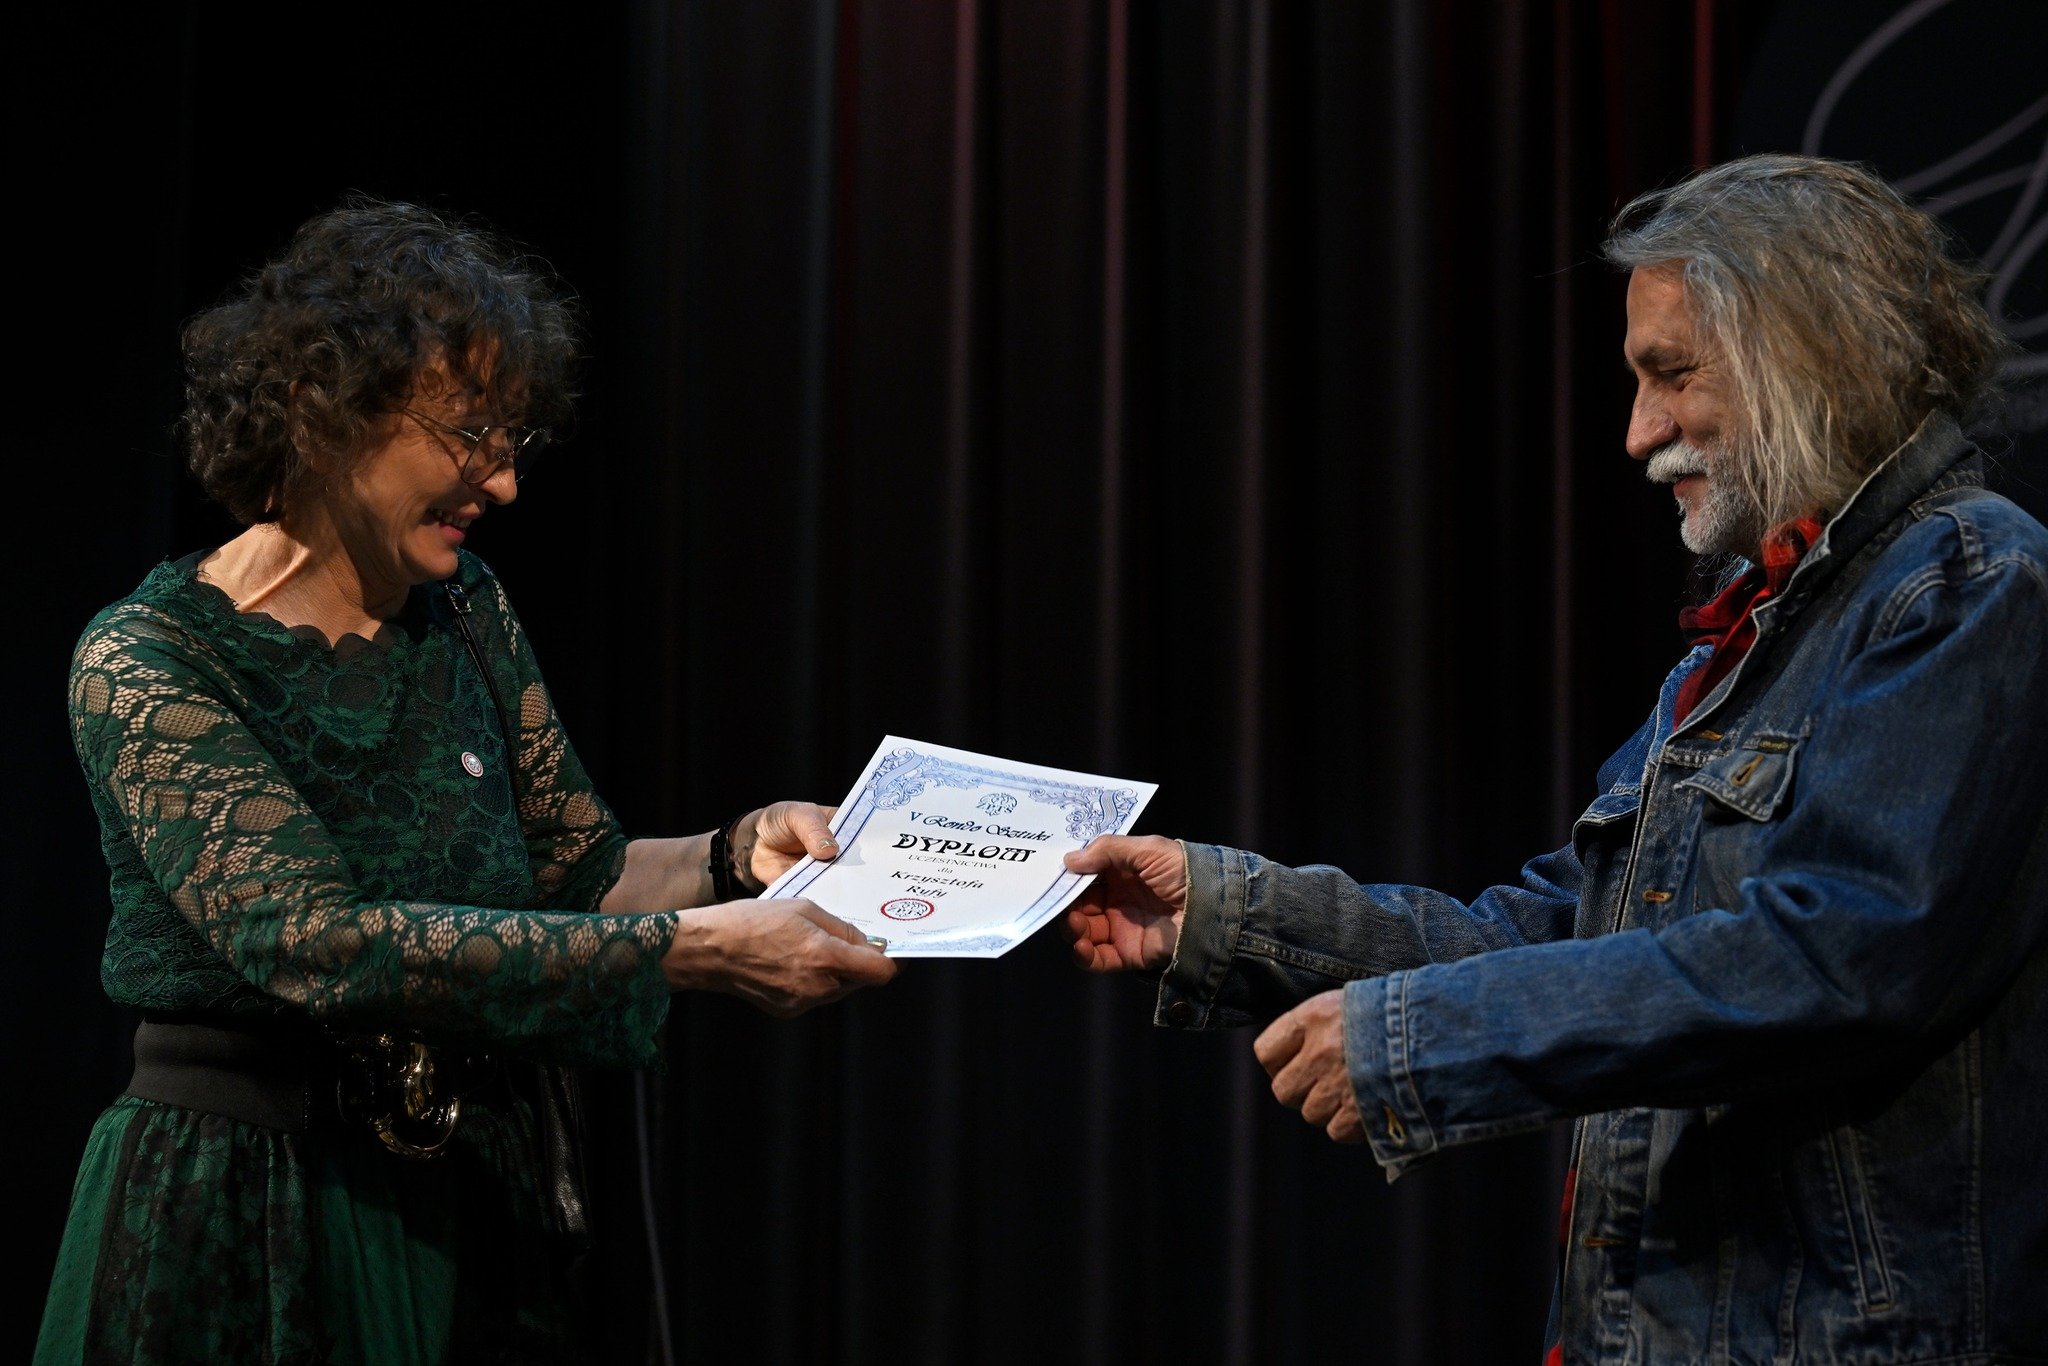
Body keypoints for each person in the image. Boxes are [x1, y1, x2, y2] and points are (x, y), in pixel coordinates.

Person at [1064, 154, 2047, 1362]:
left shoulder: (1968, 583)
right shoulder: (1750, 637)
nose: (1638, 432)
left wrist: (1417, 1039)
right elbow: (1562, 932)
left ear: (1812, 350)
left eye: (1671, 373)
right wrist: (1223, 912)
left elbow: (1829, 958)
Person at [36, 198, 897, 1364]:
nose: (501, 484)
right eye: (469, 434)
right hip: (251, 1209)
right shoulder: (150, 656)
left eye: (512, 440)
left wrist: (731, 856)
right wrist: (687, 949)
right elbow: (311, 941)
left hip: (469, 1211)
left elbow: (572, 877)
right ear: (323, 408)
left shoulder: (464, 609)